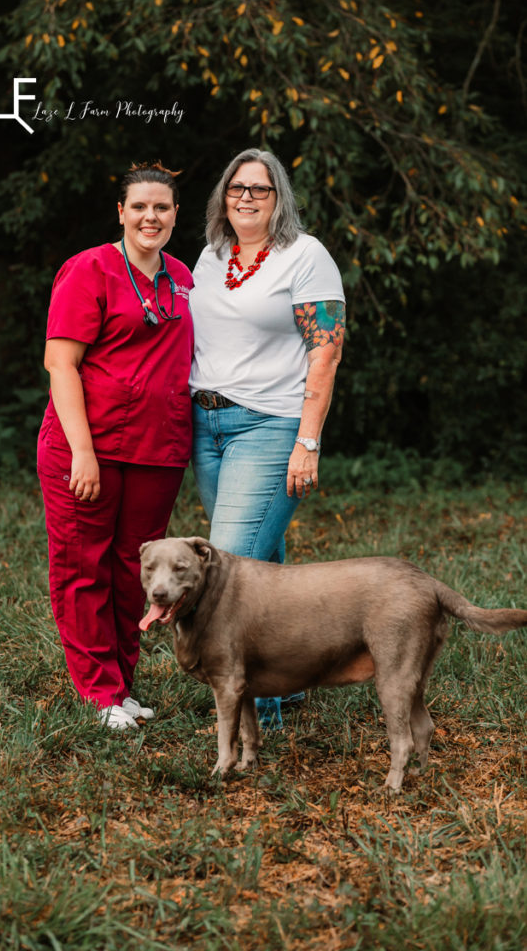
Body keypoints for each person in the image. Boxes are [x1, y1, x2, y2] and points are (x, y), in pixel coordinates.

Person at [189, 147, 345, 729]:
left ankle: (254, 713)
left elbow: (325, 351)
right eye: (236, 188)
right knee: (262, 564)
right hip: (205, 425)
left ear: (279, 197)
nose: (247, 197)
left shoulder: (305, 256)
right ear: (222, 198)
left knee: (227, 568)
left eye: (260, 188)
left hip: (270, 425)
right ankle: (283, 692)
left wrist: (308, 441)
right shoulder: (211, 256)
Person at [37, 162, 193, 730]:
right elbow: (62, 364)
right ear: (121, 212)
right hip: (89, 446)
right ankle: (98, 693)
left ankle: (123, 685)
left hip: (158, 449)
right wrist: (82, 450)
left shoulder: (182, 276)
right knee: (84, 566)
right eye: (140, 206)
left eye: (163, 207)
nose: (151, 216)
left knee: (137, 571)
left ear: (176, 215)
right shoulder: (90, 269)